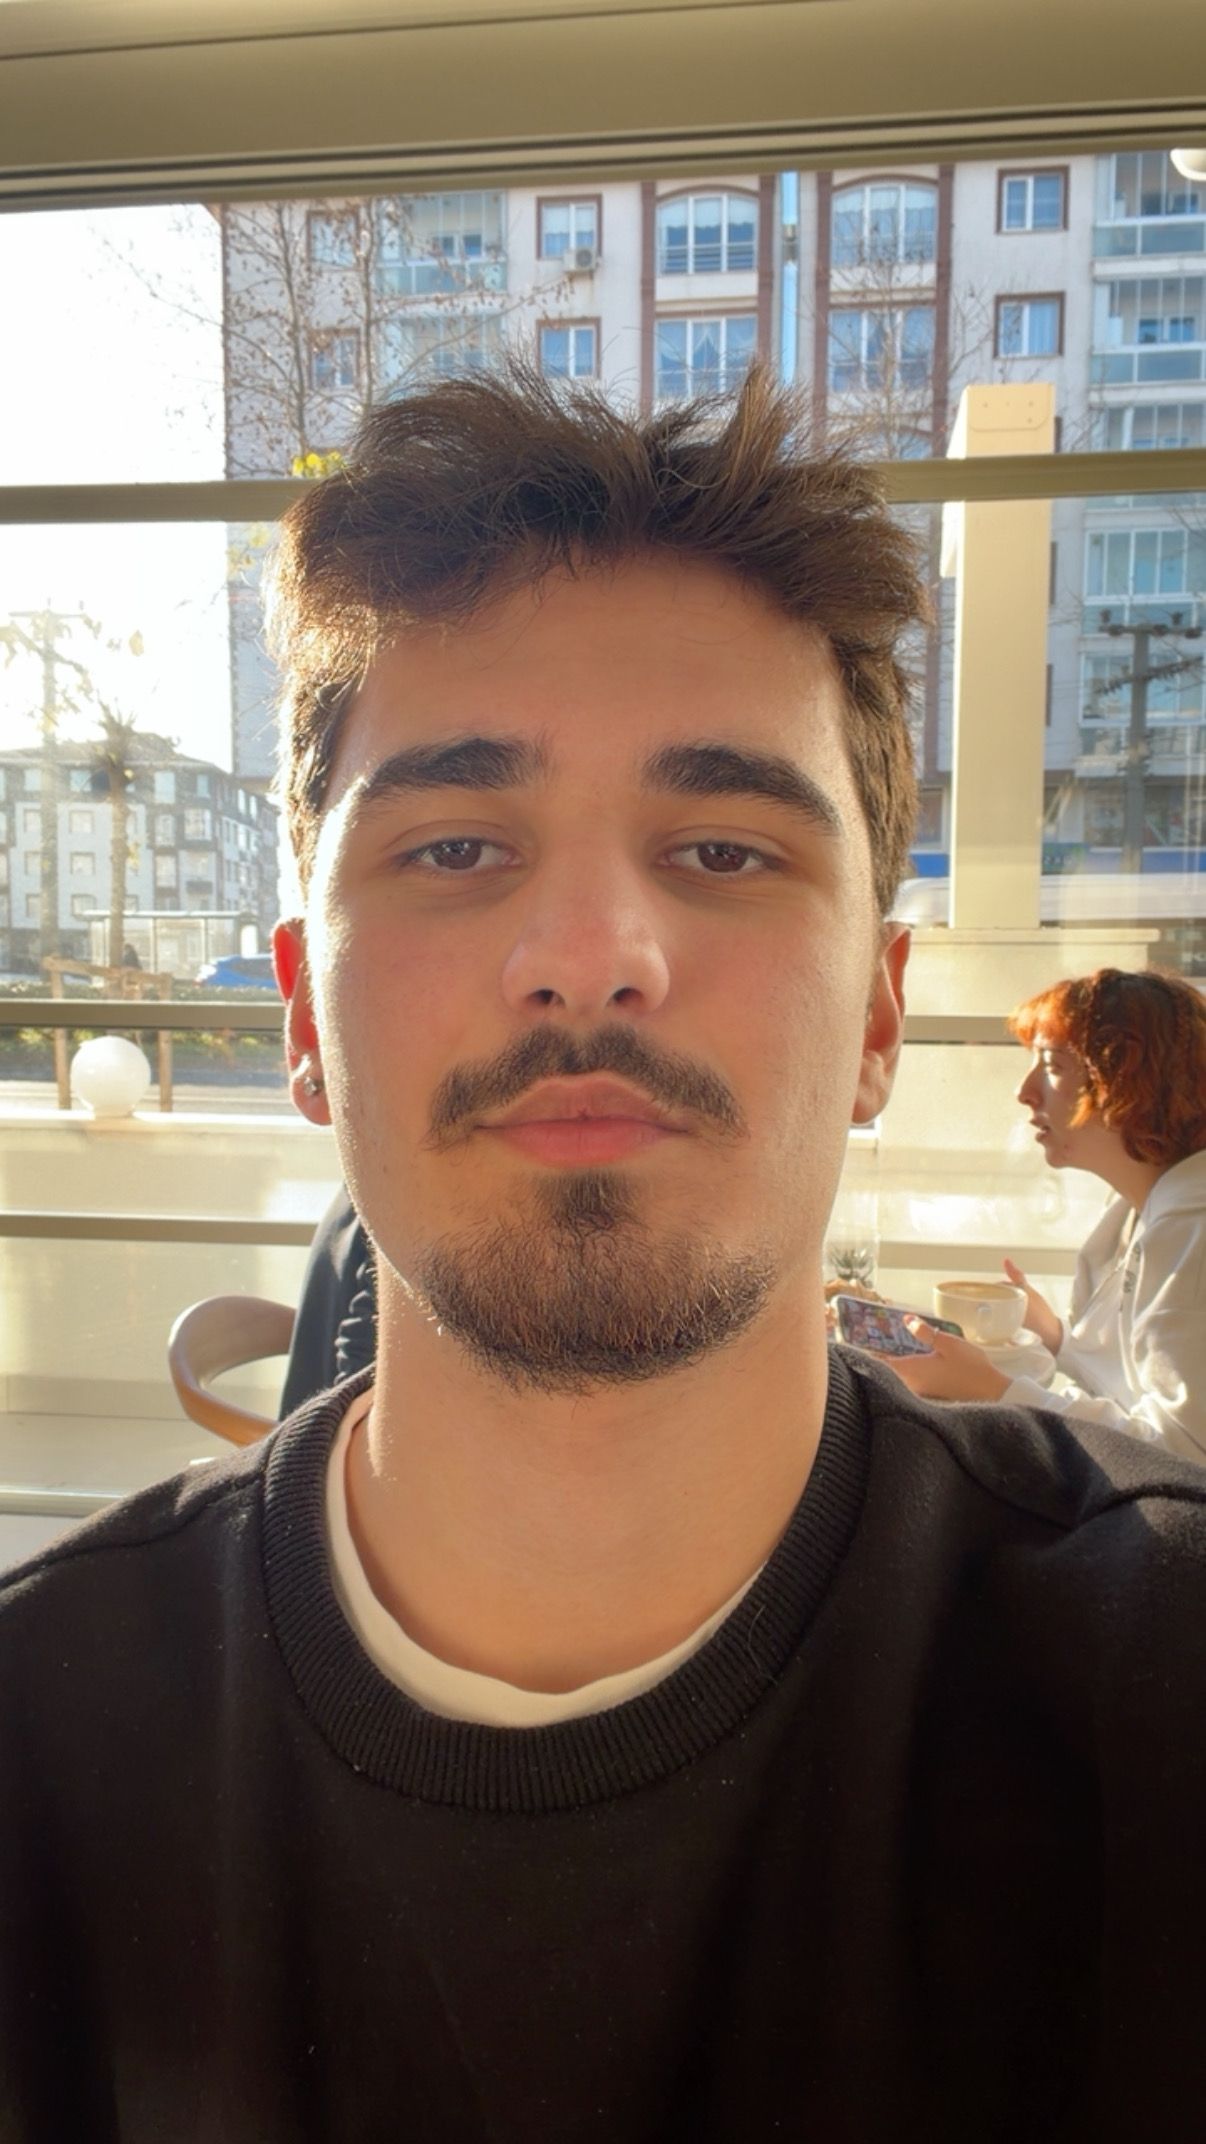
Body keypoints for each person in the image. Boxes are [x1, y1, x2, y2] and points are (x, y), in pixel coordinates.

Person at [5, 367, 1206, 2139]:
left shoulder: (1164, 1693)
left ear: (877, 1017)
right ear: (304, 1016)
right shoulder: (40, 1747)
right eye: (455, 845)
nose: (589, 952)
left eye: (721, 847)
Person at [886, 966, 1206, 1463]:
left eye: (1052, 1066)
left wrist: (994, 1390)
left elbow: (1181, 1455)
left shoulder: (1191, 1232)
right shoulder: (1133, 1211)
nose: (1025, 1090)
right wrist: (1056, 1338)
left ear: (1127, 1081)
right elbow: (1135, 1390)